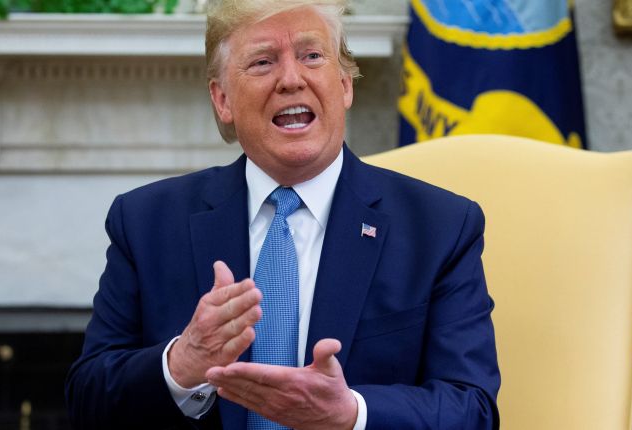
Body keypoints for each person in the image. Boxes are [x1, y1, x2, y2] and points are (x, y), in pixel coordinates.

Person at [65, 0, 500, 428]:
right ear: (223, 100)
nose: (291, 79)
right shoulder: (146, 222)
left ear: (345, 84)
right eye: (261, 62)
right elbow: (87, 402)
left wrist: (351, 414)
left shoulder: (441, 227)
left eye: (312, 55)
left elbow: (472, 409)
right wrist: (181, 364)